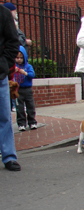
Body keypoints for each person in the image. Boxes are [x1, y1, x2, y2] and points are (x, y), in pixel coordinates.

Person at [0, 5, 21, 171]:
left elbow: (13, 41)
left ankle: (9, 157)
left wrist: (4, 65)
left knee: (4, 116)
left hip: (0, 74)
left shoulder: (3, 14)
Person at [14, 46, 37, 132]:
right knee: (19, 108)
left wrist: (25, 73)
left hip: (27, 89)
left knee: (30, 106)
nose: (19, 60)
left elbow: (32, 75)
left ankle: (32, 122)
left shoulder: (28, 66)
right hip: (18, 90)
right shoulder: (14, 66)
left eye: (21, 58)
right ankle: (21, 124)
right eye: (17, 58)